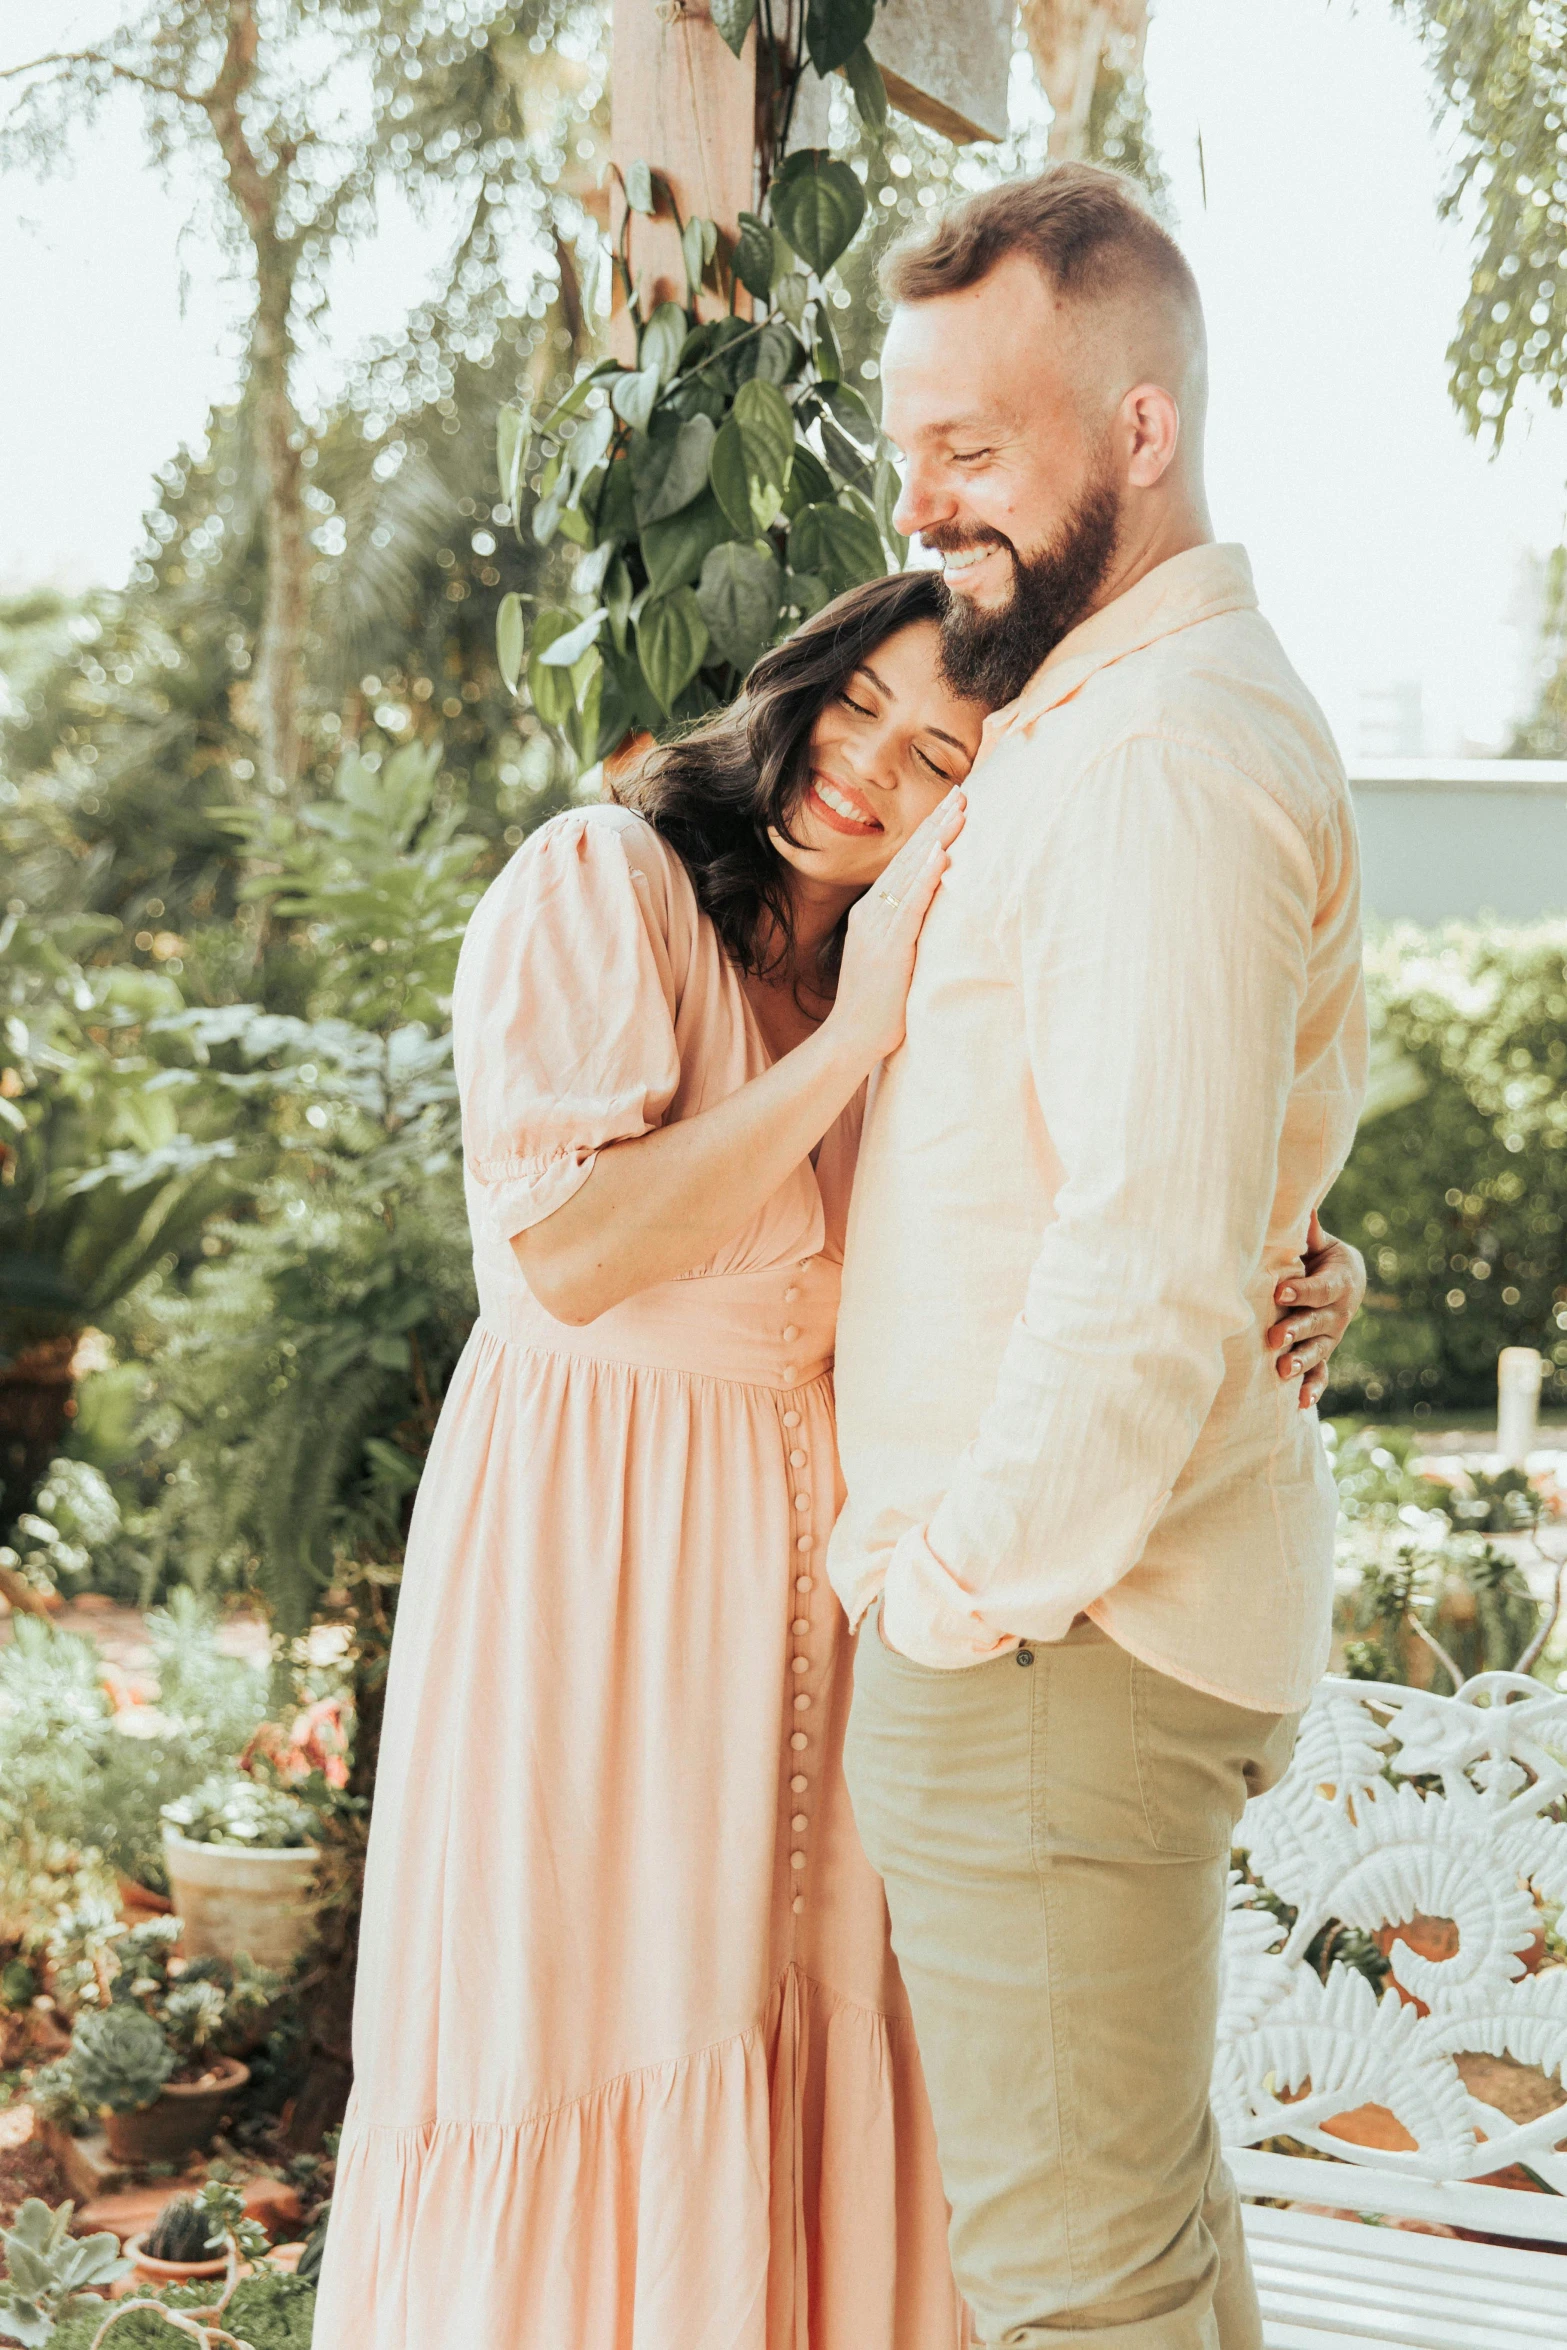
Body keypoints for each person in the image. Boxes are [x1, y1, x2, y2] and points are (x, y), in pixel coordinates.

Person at [311, 566, 1364, 2347]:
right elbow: (563, 1249)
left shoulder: (936, 981)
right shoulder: (604, 884)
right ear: (798, 684)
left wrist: (1305, 1251)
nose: (868, 765)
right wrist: (851, 1034)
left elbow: (1100, 1182)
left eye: (939, 755)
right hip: (591, 1557)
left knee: (813, 2012)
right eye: (859, 703)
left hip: (829, 1577)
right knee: (589, 2008)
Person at [830, 168, 1369, 2350]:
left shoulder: (1155, 753)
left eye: (977, 442)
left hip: (1058, 1638)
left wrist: (962, 1592)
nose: (923, 490)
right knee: (1145, 2263)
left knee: (1078, 2294)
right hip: (1096, 1622)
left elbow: (1144, 1257)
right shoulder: (1118, 714)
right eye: (911, 438)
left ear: (1139, 431)